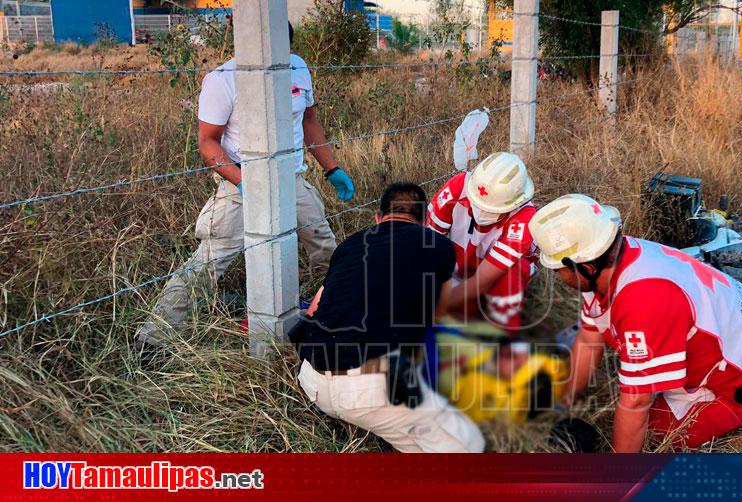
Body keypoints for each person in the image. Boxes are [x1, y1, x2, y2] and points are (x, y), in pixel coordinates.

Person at [135, 24, 355, 352]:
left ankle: (344, 319)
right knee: (209, 262)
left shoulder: (297, 68)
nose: (278, 59)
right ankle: (152, 340)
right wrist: (243, 183)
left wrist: (332, 167)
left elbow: (309, 121)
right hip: (240, 185)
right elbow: (208, 143)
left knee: (327, 251)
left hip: (291, 180)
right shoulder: (223, 80)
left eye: (283, 51)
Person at [528, 194, 742, 452]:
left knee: (654, 432)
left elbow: (635, 403)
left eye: (557, 269)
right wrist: (563, 404)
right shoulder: (613, 258)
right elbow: (589, 339)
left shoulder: (643, 301)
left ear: (583, 267)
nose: (557, 275)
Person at [292, 182, 485, 453]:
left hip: (312, 380)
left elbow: (313, 310)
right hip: (371, 389)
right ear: (425, 220)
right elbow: (441, 316)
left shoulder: (349, 246)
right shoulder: (439, 246)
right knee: (468, 446)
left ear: (378, 219)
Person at [426, 152, 538, 333]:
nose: (481, 213)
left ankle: (503, 337)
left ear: (516, 203)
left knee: (515, 270)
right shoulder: (456, 187)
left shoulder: (524, 219)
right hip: (457, 269)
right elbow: (428, 248)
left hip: (492, 276)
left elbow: (483, 280)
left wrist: (432, 309)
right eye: (476, 203)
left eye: (491, 210)